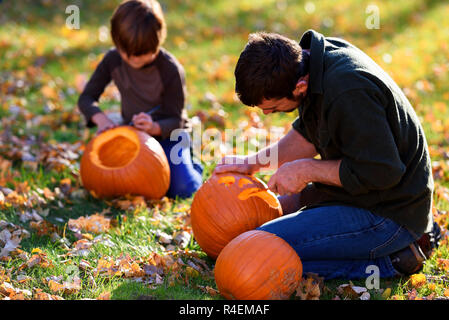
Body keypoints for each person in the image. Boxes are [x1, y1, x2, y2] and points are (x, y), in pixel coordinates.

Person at [215, 29, 441, 279]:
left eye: (275, 107)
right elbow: (309, 135)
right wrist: (253, 163)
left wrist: (306, 170)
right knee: (254, 230)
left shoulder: (349, 91)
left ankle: (393, 260)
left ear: (300, 86)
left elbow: (381, 172)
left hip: (390, 212)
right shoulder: (312, 63)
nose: (268, 114)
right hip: (358, 194)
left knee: (255, 252)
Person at [78, 0, 202, 199]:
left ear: (157, 42)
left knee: (181, 190)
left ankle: (192, 162)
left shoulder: (170, 69)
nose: (135, 59)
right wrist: (101, 120)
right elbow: (86, 98)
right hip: (134, 133)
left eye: (143, 54)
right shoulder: (113, 60)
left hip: (169, 135)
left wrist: (154, 127)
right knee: (116, 187)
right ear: (117, 42)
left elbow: (176, 119)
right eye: (128, 54)